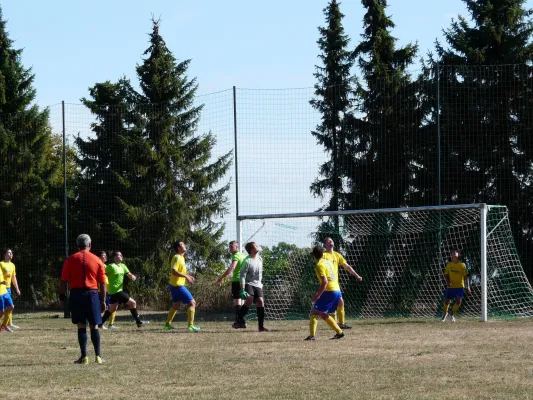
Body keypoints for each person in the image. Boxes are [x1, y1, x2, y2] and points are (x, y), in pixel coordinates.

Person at [58, 234, 107, 364]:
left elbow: (63, 281)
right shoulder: (97, 260)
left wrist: (62, 297)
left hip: (76, 295)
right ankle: (98, 356)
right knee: (94, 325)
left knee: (81, 325)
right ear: (89, 245)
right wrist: (102, 300)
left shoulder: (70, 259)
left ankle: (84, 356)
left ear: (77, 245)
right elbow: (102, 283)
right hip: (92, 294)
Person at [304, 245, 345, 340]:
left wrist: (318, 294)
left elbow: (325, 281)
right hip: (337, 290)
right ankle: (339, 332)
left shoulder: (319, 265)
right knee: (323, 314)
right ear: (323, 254)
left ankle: (312, 336)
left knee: (315, 312)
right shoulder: (327, 262)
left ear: (314, 256)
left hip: (329, 291)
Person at [100, 251, 148, 328]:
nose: (121, 256)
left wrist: (132, 276)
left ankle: (100, 324)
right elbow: (102, 274)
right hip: (115, 291)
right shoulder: (111, 266)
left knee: (112, 308)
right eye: (119, 255)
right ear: (114, 257)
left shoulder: (123, 266)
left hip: (116, 291)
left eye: (121, 255)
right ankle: (139, 322)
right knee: (133, 303)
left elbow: (128, 274)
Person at [322, 237, 362, 329]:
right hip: (328, 284)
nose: (331, 241)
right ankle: (336, 324)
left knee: (340, 302)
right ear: (325, 244)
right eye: (329, 241)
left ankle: (340, 324)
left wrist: (356, 275)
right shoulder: (324, 255)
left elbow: (347, 266)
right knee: (334, 303)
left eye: (332, 240)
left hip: (335, 284)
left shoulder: (337, 255)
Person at [232, 242, 269, 332]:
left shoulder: (260, 259)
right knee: (249, 299)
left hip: (258, 284)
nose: (257, 247)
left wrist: (259, 284)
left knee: (260, 301)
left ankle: (261, 327)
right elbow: (242, 276)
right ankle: (238, 319)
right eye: (256, 246)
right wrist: (242, 289)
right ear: (252, 250)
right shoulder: (246, 261)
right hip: (248, 283)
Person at [164, 241, 200, 332]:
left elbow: (180, 271)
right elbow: (173, 271)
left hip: (174, 285)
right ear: (178, 248)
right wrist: (186, 276)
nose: (185, 245)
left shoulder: (182, 258)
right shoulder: (176, 257)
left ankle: (167, 325)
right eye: (182, 244)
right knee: (192, 303)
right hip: (178, 286)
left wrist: (188, 275)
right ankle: (190, 326)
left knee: (176, 305)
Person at [216, 240, 246, 322]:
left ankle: (240, 320)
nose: (230, 249)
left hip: (237, 280)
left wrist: (221, 278)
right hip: (244, 281)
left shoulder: (235, 256)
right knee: (240, 301)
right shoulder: (243, 255)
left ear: (237, 247)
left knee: (237, 302)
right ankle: (240, 320)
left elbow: (232, 267)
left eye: (231, 247)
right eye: (229, 247)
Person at [442, 249, 471, 322]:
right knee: (447, 301)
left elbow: (466, 276)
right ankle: (445, 314)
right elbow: (446, 275)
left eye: (456, 253)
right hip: (451, 286)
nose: (454, 253)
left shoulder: (462, 265)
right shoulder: (449, 265)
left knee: (459, 301)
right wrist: (448, 282)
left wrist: (468, 286)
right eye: (453, 253)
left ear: (458, 255)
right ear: (451, 256)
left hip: (460, 286)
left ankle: (451, 314)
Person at [0, 249, 20, 331]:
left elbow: (13, 278)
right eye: (9, 252)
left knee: (10, 306)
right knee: (3, 309)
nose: (11, 254)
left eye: (12, 253)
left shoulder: (12, 265)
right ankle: (6, 324)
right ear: (4, 255)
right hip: (2, 288)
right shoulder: (1, 264)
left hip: (8, 288)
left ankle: (8, 324)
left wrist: (17, 288)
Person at [98, 251, 114, 329]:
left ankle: (101, 323)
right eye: (103, 255)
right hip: (99, 289)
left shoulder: (105, 266)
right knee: (101, 307)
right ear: (99, 257)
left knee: (106, 307)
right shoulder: (98, 265)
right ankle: (99, 323)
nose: (105, 257)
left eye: (105, 256)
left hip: (106, 289)